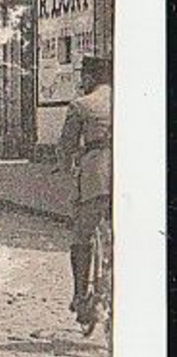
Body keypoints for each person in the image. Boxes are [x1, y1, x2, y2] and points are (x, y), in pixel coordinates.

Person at [58, 55, 111, 324]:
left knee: (82, 234)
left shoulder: (82, 105)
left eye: (83, 76)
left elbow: (66, 145)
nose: (81, 81)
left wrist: (67, 167)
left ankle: (80, 297)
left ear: (90, 78)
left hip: (97, 179)